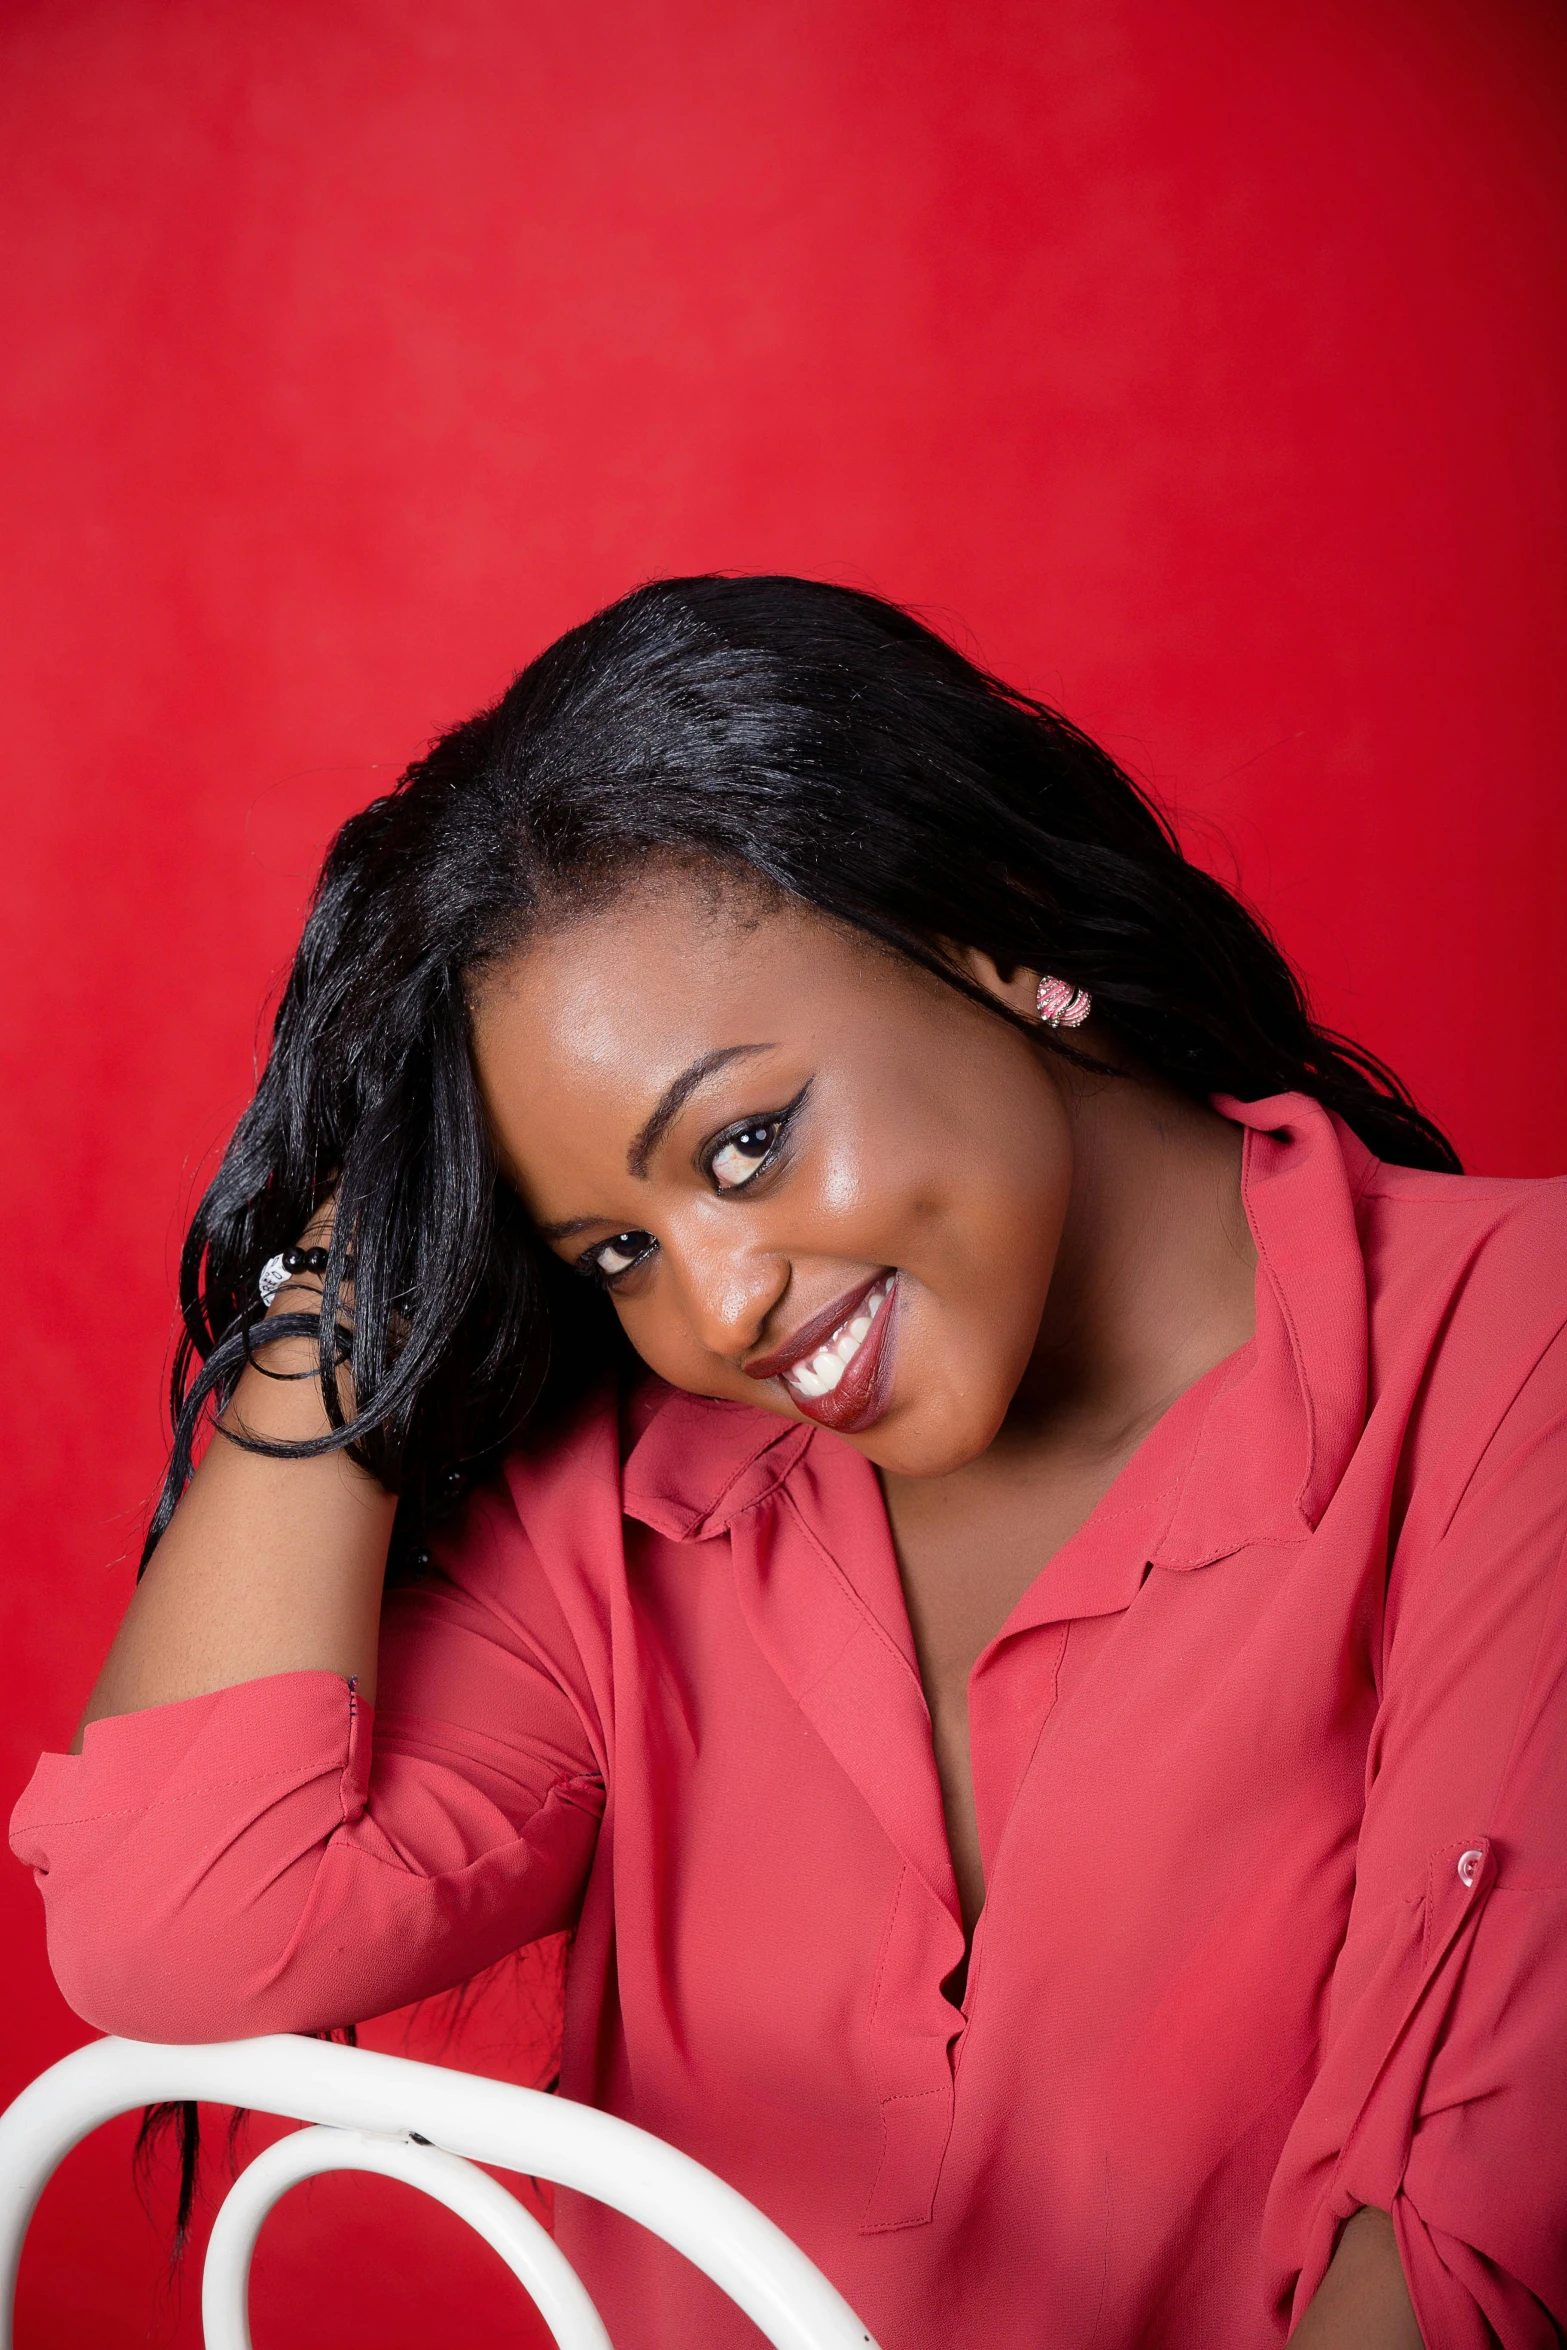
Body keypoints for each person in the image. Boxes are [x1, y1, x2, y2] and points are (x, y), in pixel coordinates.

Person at [11, 577, 1565, 2349]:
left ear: (992, 928)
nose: (720, 1305)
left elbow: (1450, 2251)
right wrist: (372, 1259)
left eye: (745, 1143)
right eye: (612, 1249)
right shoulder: (635, 1506)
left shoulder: (1507, 1352)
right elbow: (181, 1929)